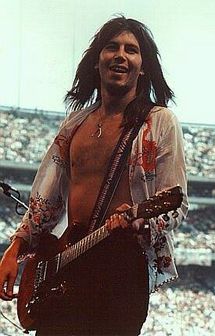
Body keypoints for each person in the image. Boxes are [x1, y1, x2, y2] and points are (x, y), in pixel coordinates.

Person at [0, 16, 188, 335]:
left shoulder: (159, 122)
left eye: (132, 50)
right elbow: (46, 201)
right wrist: (15, 247)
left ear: (142, 67)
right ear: (97, 62)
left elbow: (176, 204)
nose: (120, 55)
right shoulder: (74, 125)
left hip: (121, 270)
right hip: (66, 260)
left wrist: (140, 220)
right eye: (111, 47)